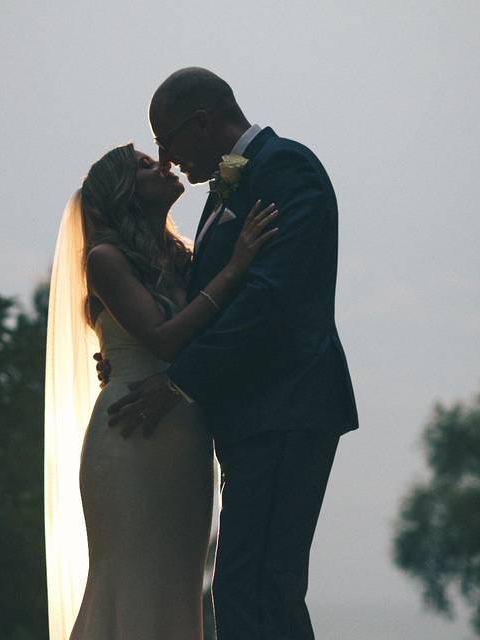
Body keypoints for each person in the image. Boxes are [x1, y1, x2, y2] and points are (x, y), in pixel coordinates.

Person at [102, 67, 359, 640]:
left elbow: (271, 298)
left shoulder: (287, 169)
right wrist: (140, 361)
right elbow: (205, 302)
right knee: (255, 587)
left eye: (165, 141)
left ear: (201, 122)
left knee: (257, 586)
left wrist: (177, 383)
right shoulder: (227, 191)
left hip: (286, 408)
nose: (166, 160)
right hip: (254, 417)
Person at [43, 142, 280, 640]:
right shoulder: (105, 259)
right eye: (146, 165)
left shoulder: (182, 258)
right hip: (131, 432)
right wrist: (235, 269)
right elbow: (164, 337)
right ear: (124, 191)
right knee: (132, 575)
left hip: (186, 431)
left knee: (177, 580)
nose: (165, 164)